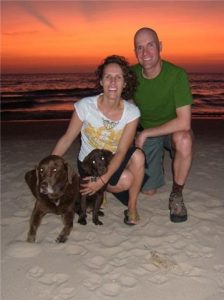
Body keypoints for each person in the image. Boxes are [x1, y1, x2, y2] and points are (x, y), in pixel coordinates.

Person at [52, 55, 145, 225]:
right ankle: (100, 192)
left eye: (118, 77)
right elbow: (66, 139)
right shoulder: (85, 106)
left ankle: (131, 206)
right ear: (101, 81)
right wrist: (51, 167)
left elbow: (123, 151)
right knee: (125, 179)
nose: (113, 82)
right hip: (89, 164)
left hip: (112, 159)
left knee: (138, 156)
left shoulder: (132, 112)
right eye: (108, 77)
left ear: (125, 83)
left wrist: (102, 180)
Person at [132, 27, 193, 223]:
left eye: (150, 45)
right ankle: (158, 162)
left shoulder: (177, 75)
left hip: (172, 130)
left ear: (160, 46)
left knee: (183, 140)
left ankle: (176, 194)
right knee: (148, 191)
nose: (145, 53)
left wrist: (145, 133)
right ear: (135, 53)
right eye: (139, 48)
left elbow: (184, 121)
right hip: (148, 135)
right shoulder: (131, 76)